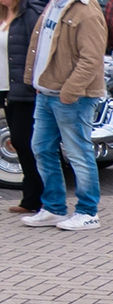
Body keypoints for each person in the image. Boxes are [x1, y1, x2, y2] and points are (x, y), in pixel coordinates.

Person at [20, 0, 106, 231]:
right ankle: (54, 208)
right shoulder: (53, 6)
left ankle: (88, 212)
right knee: (41, 148)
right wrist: (36, 81)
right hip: (46, 93)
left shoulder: (86, 11)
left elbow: (91, 59)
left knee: (78, 152)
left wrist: (69, 92)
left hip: (71, 97)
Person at [4, 0, 45, 213]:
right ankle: (31, 199)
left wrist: (33, 83)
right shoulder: (3, 16)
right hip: (5, 88)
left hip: (23, 90)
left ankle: (37, 199)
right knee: (20, 143)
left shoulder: (29, 15)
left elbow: (38, 52)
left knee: (26, 143)